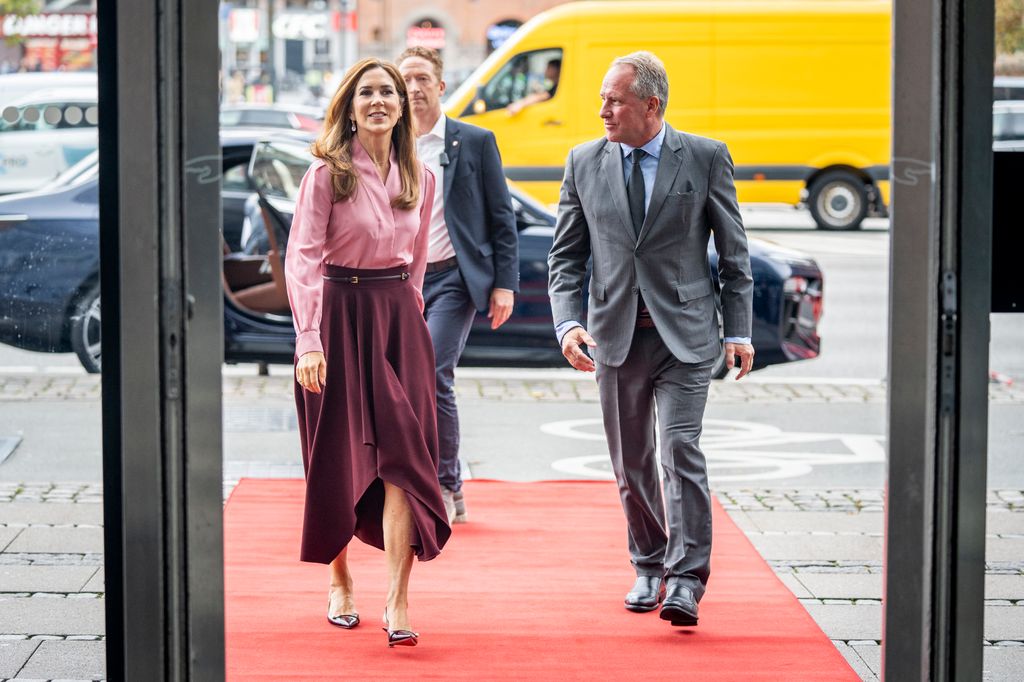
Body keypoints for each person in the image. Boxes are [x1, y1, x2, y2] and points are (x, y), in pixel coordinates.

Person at [547, 51, 754, 628]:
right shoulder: (583, 161)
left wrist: (738, 329)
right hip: (615, 336)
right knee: (631, 461)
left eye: (614, 100)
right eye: (603, 98)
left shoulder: (706, 157)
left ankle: (687, 580)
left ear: (651, 106)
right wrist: (568, 322)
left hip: (685, 337)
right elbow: (566, 256)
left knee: (677, 452)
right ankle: (649, 563)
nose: (603, 110)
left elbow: (734, 257)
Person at [285, 57, 451, 648]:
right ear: (350, 107)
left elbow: (420, 263)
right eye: (367, 93)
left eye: (389, 92)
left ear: (404, 106)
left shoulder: (421, 177)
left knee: (404, 458)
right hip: (335, 317)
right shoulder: (327, 174)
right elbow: (302, 257)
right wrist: (308, 340)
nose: (378, 100)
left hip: (397, 322)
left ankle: (397, 601)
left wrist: (415, 322)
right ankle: (339, 582)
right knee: (333, 456)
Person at [396, 46, 519, 524]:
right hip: (401, 282)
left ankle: (448, 484)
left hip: (453, 279)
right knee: (400, 381)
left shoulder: (473, 141)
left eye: (423, 78)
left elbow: (501, 218)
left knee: (430, 371)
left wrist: (503, 285)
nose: (414, 88)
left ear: (441, 86)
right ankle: (407, 479)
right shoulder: (389, 144)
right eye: (405, 79)